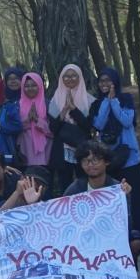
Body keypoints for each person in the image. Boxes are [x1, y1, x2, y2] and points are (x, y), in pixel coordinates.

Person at [89, 66, 140, 255]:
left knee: (135, 193)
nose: (105, 84)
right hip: (109, 156)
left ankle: (137, 230)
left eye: (108, 80)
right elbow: (98, 124)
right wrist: (107, 102)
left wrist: (114, 102)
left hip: (128, 155)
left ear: (115, 82)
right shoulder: (97, 103)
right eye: (101, 81)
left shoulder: (126, 99)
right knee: (112, 195)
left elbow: (127, 121)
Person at [64, 140, 139, 256]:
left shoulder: (118, 189)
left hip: (111, 239)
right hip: (82, 240)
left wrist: (125, 198)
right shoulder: (74, 190)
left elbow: (126, 225)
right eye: (85, 161)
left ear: (106, 162)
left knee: (136, 241)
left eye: (95, 160)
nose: (90, 165)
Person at [47, 64, 95, 192]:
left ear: (80, 78)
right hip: (62, 148)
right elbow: (53, 129)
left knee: (85, 181)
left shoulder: (90, 100)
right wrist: (64, 110)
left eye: (74, 75)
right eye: (66, 76)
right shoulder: (55, 100)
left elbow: (88, 127)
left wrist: (74, 109)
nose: (70, 79)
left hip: (82, 147)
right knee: (65, 184)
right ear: (61, 79)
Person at [17, 72, 53, 183]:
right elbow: (14, 128)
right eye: (26, 86)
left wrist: (38, 120)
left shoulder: (48, 104)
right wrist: (27, 120)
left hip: (45, 151)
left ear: (40, 85)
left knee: (45, 183)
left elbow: (53, 130)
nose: (30, 88)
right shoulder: (17, 105)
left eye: (33, 85)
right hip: (25, 150)